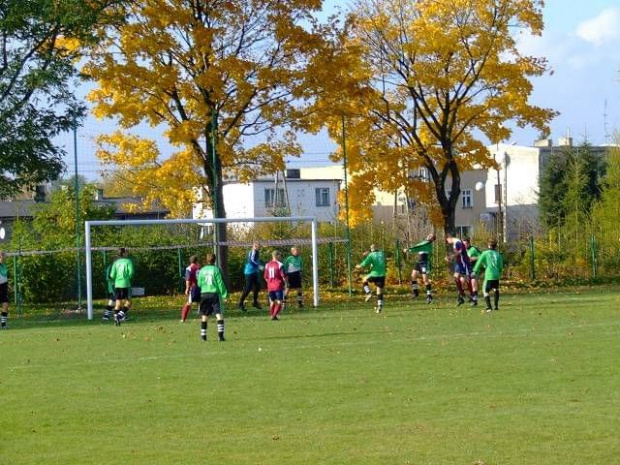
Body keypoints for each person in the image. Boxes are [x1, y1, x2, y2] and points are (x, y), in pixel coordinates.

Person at [196, 253, 228, 341]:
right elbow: (220, 283)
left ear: (206, 260)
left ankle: (203, 337)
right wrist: (224, 294)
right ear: (215, 260)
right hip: (214, 294)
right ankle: (221, 337)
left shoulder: (202, 270)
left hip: (204, 294)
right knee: (219, 315)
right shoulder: (216, 270)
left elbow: (199, 283)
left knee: (204, 315)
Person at [473, 238, 504, 312]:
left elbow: (479, 262)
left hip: (489, 274)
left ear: (488, 245)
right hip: (496, 274)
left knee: (485, 291)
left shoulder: (485, 253)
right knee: (495, 289)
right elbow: (501, 266)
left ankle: (489, 307)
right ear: (495, 246)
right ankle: (496, 306)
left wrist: (475, 271)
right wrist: (499, 273)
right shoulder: (498, 254)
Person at [404, 233, 436, 304]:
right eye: (429, 235)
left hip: (425, 262)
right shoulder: (425, 242)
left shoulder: (427, 243)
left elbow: (418, 247)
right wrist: (409, 249)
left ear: (432, 240)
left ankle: (429, 296)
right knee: (413, 277)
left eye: (431, 236)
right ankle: (416, 293)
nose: (429, 236)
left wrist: (408, 250)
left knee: (425, 279)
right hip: (419, 262)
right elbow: (418, 246)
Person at [445, 233, 475, 306]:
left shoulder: (457, 242)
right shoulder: (456, 242)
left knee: (467, 279)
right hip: (459, 263)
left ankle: (473, 296)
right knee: (456, 277)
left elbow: (460, 252)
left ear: (449, 238)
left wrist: (451, 257)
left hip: (464, 263)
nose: (448, 242)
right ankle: (461, 294)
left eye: (447, 241)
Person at [355, 244, 386, 313]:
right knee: (379, 290)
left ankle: (368, 293)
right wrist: (368, 253)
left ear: (371, 249)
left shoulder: (371, 255)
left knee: (364, 279)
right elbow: (377, 256)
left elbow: (364, 264)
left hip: (374, 274)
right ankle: (380, 306)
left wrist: (358, 266)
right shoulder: (381, 254)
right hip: (382, 274)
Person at [109, 247, 134, 326]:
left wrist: (116, 279)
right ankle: (119, 316)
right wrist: (127, 278)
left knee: (118, 303)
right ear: (123, 253)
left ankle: (115, 319)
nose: (127, 253)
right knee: (129, 302)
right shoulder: (128, 261)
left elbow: (112, 275)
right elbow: (131, 272)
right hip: (125, 284)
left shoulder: (116, 263)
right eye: (126, 252)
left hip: (117, 284)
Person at [238, 242, 263, 311]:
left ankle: (255, 302)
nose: (258, 247)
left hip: (254, 272)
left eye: (258, 246)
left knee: (257, 286)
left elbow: (256, 261)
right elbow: (251, 261)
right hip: (249, 272)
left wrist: (260, 266)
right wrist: (259, 266)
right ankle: (240, 303)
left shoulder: (257, 252)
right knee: (248, 288)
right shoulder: (253, 252)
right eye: (256, 246)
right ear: (253, 246)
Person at [264, 250, 287, 320]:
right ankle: (274, 315)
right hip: (278, 285)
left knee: (272, 301)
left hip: (270, 286)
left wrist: (269, 283)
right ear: (277, 256)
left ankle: (272, 316)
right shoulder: (280, 265)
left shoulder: (267, 264)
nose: (280, 257)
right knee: (280, 301)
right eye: (279, 255)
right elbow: (283, 276)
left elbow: (266, 277)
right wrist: (286, 283)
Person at [181, 255, 201, 322]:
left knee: (188, 303)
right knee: (200, 303)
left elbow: (188, 279)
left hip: (194, 288)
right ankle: (202, 318)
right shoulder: (199, 268)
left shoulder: (189, 268)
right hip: (200, 287)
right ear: (196, 261)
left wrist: (187, 288)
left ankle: (183, 319)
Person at [283, 246, 303, 310]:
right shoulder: (289, 258)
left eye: (298, 250)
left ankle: (300, 303)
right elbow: (285, 266)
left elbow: (301, 265)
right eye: (296, 250)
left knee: (299, 289)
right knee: (287, 289)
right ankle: (283, 304)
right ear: (292, 252)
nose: (297, 251)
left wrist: (301, 272)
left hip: (297, 274)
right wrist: (285, 275)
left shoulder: (300, 258)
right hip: (290, 275)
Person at [463, 237, 482, 304]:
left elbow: (482, 256)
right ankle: (472, 296)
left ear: (469, 243)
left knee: (473, 282)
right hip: (466, 270)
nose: (464, 245)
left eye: (466, 244)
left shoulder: (474, 249)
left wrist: (474, 258)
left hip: (474, 269)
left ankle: (475, 299)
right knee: (466, 283)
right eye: (463, 244)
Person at [0, 251, 9, 329]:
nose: (4, 256)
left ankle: (3, 323)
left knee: (5, 304)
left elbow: (5, 276)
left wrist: (8, 285)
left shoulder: (3, 266)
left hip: (3, 286)